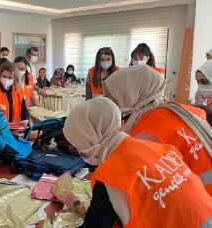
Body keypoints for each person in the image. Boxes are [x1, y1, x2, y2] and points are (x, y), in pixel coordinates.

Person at [61, 96, 212, 228]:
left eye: (77, 145)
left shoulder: (109, 175)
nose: (79, 151)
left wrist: (75, 204)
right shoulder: (159, 148)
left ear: (87, 140)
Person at [103, 65, 212, 195]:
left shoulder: (147, 131)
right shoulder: (182, 109)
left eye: (114, 98)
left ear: (132, 95)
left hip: (199, 203)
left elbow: (137, 186)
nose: (110, 105)